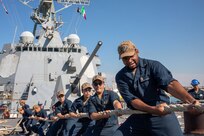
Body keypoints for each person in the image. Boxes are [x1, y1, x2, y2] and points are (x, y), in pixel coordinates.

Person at [114, 40, 200, 136]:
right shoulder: (120, 76)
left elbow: (169, 84)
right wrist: (152, 109)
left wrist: (191, 100)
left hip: (162, 114)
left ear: (137, 51)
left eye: (131, 56)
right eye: (125, 58)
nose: (129, 60)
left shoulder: (153, 66)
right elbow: (132, 100)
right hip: (139, 115)